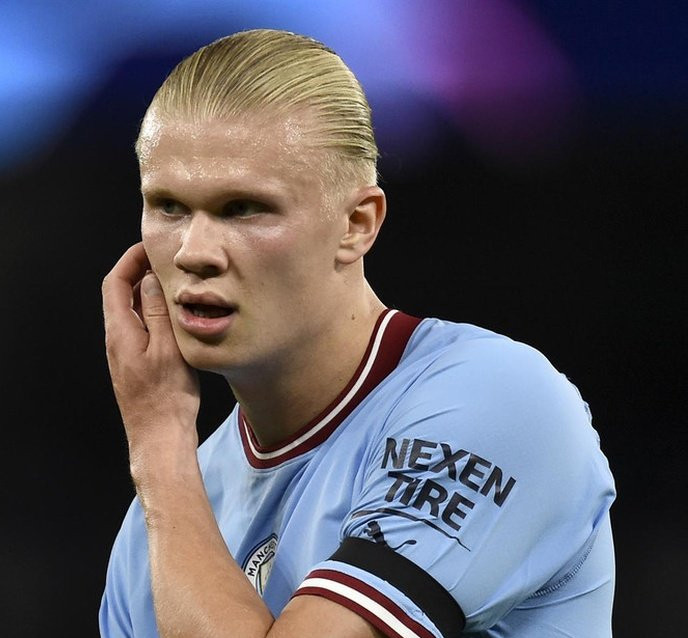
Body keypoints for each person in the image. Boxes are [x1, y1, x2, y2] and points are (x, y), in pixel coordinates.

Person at [99, 29, 615, 638]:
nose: (194, 251)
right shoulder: (158, 525)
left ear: (356, 224)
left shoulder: (500, 399)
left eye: (244, 208)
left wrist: (159, 441)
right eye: (168, 207)